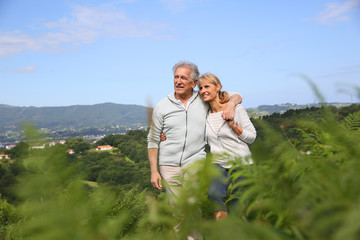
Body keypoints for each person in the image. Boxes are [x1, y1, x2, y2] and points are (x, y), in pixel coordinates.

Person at [147, 61, 242, 203]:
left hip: (195, 162)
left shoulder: (204, 98)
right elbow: (153, 140)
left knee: (192, 205)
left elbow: (236, 95)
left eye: (183, 78)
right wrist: (154, 171)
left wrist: (230, 104)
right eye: (176, 77)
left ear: (194, 83)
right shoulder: (162, 106)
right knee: (178, 210)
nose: (178, 82)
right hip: (168, 166)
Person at [197, 73, 256, 220]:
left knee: (238, 201)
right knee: (213, 195)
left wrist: (234, 127)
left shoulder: (237, 109)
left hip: (241, 161)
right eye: (200, 88)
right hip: (219, 163)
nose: (203, 90)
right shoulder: (204, 114)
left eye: (207, 86)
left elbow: (252, 137)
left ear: (218, 87)